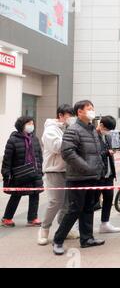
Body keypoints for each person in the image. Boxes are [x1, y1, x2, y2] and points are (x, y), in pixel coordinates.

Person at [52, 100, 106, 256]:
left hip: (92, 177)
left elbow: (96, 153)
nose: (92, 111)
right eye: (89, 109)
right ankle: (58, 240)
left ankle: (87, 238)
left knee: (89, 208)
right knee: (74, 210)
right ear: (80, 112)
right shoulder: (73, 130)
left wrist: (98, 168)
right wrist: (86, 167)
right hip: (78, 178)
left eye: (93, 108)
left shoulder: (92, 130)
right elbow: (68, 153)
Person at [38, 105, 79, 245]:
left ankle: (64, 229)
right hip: (54, 170)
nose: (71, 118)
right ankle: (44, 229)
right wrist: (74, 140)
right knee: (56, 202)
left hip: (68, 170)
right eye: (69, 115)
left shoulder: (67, 128)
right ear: (60, 115)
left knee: (67, 203)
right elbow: (56, 147)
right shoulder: (51, 129)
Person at [1, 116, 44, 227]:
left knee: (35, 195)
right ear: (21, 125)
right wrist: (6, 173)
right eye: (28, 123)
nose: (31, 125)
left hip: (34, 172)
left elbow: (39, 155)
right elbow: (7, 158)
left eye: (32, 123)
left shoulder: (34, 139)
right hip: (20, 173)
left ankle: (32, 218)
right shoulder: (13, 140)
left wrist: (40, 170)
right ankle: (7, 218)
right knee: (16, 195)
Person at [94, 116, 120, 234]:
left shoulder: (108, 137)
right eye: (107, 129)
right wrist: (106, 152)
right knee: (92, 201)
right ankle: (82, 226)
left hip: (109, 174)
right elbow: (93, 154)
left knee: (108, 198)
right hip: (98, 175)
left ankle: (105, 223)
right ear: (101, 125)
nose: (108, 131)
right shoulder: (93, 136)